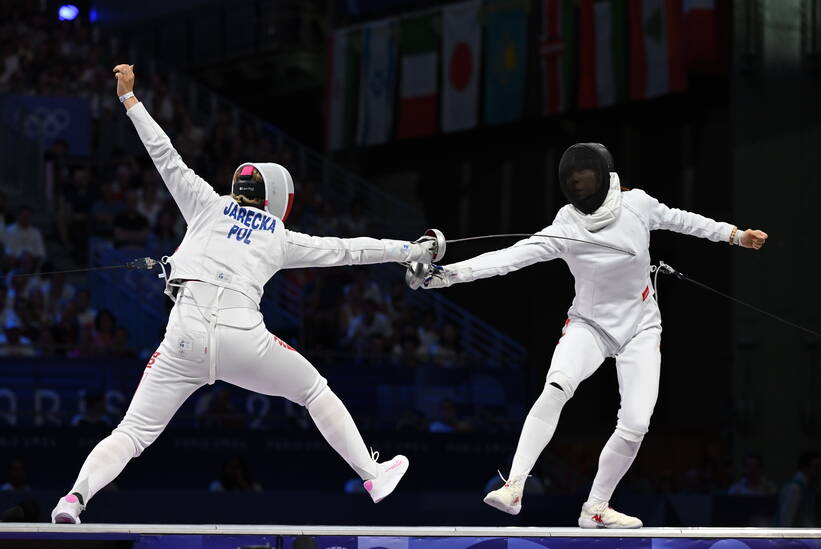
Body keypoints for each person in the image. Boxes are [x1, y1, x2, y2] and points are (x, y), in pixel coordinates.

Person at [50, 64, 444, 524]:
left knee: (133, 432)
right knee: (314, 391)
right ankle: (372, 475)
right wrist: (410, 249)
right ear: (276, 197)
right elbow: (349, 250)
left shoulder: (205, 203)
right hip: (244, 337)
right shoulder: (279, 235)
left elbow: (165, 154)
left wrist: (129, 100)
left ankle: (73, 499)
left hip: (184, 337)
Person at [407, 143, 768, 528]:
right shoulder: (566, 225)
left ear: (603, 174)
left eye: (584, 174)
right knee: (556, 387)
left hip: (641, 328)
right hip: (589, 325)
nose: (578, 181)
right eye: (571, 177)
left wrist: (734, 235)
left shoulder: (638, 205)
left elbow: (683, 220)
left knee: (636, 423)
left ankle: (596, 507)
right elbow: (509, 258)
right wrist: (447, 276)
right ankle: (514, 486)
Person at [775, 450, 821, 527]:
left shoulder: (809, 488)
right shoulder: (794, 488)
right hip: (791, 537)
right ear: (805, 467)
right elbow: (786, 521)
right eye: (816, 467)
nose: (819, 471)